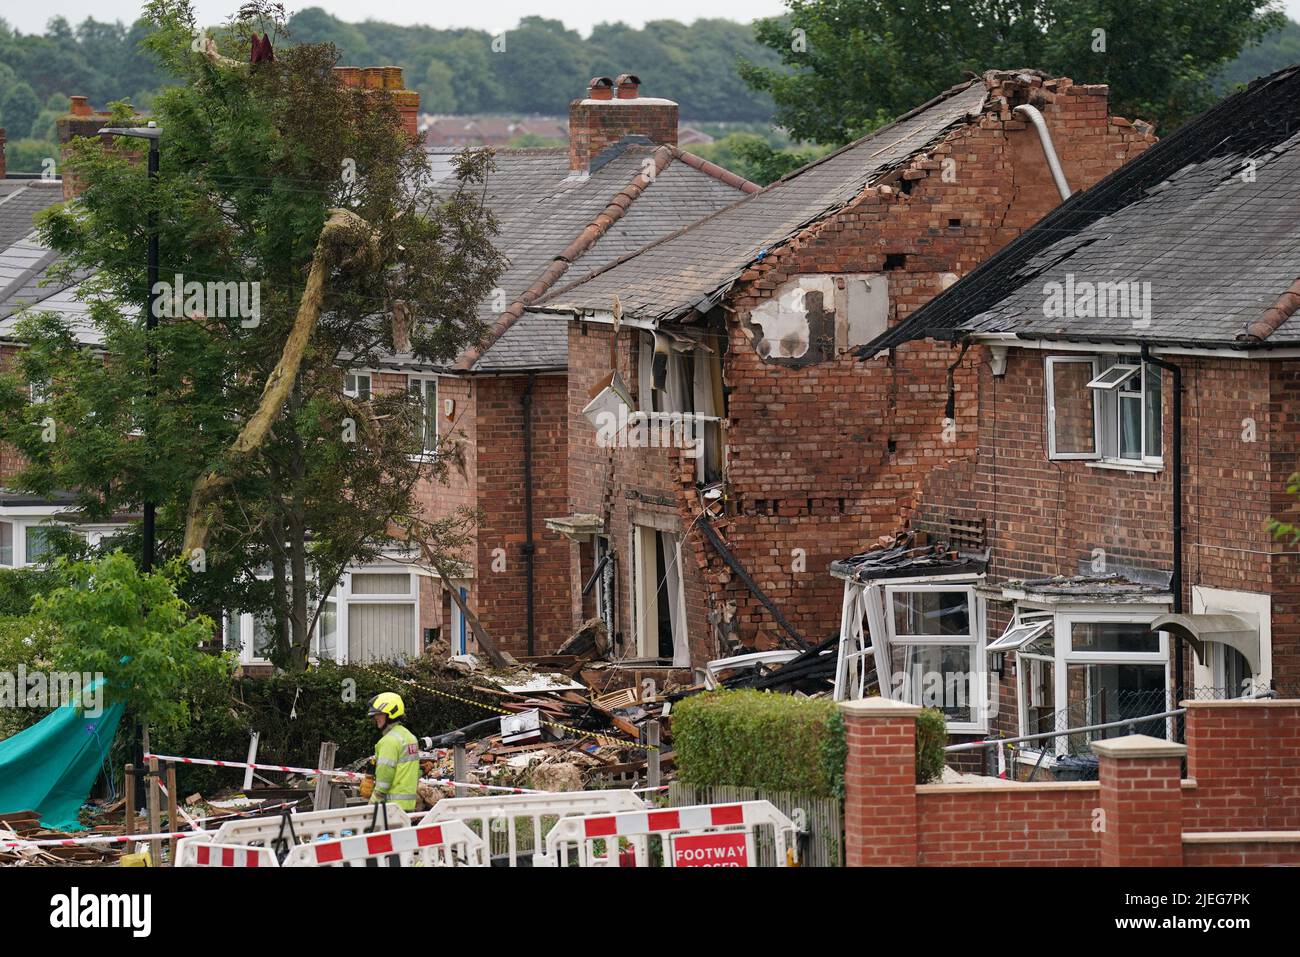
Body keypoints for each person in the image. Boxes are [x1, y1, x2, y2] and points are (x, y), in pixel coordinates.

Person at [367, 692, 420, 812]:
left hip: (391, 808)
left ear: (391, 714)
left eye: (379, 714)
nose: (376, 718)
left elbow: (385, 777)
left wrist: (372, 803)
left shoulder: (388, 741)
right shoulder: (410, 737)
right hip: (408, 805)